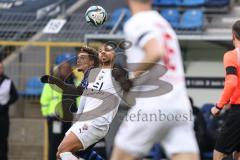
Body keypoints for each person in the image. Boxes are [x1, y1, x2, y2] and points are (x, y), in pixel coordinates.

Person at [110, 0, 200, 160]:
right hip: (179, 105)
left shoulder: (137, 22)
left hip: (153, 103)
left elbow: (155, 51)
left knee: (119, 156)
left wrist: (132, 77)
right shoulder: (163, 23)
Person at [55, 45, 122, 160]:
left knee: (63, 151)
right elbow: (83, 99)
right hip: (84, 122)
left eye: (108, 50)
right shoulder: (93, 74)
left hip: (96, 122)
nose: (104, 53)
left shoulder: (118, 74)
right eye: (101, 51)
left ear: (114, 55)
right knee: (61, 155)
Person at [211, 20, 240, 160]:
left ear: (233, 35)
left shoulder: (232, 55)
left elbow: (232, 82)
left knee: (218, 153)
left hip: (238, 111)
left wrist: (219, 105)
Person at [40, 59, 77, 160]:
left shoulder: (73, 83)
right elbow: (44, 100)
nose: (66, 70)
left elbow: (78, 100)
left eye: (68, 68)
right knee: (54, 146)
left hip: (68, 120)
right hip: (55, 120)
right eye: (64, 68)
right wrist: (48, 115)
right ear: (59, 69)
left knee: (66, 147)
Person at [0, 62, 18, 160]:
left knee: (3, 140)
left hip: (3, 115)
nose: (0, 69)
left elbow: (15, 96)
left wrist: (7, 103)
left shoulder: (8, 81)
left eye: (2, 67)